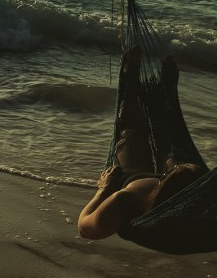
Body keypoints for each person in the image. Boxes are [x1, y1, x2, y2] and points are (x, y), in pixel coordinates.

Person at [78, 47, 207, 240]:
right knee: (171, 141)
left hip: (132, 178)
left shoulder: (124, 201)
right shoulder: (203, 204)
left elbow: (84, 227)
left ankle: (131, 84)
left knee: (132, 130)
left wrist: (104, 189)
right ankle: (166, 97)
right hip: (176, 190)